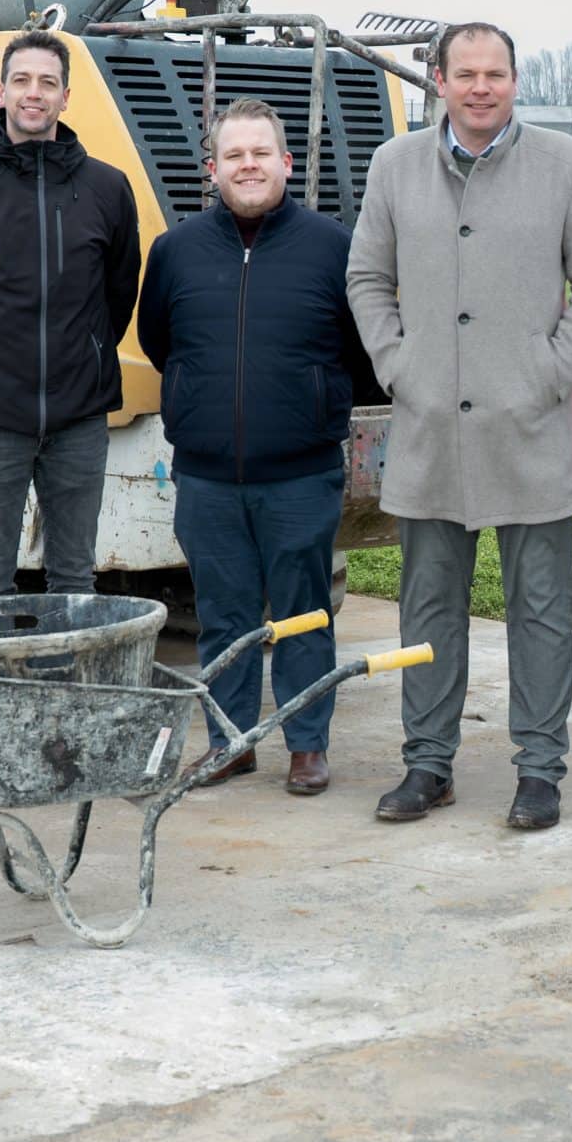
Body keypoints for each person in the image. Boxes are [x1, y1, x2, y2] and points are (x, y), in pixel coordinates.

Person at [346, 22, 572, 831]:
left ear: (515, 80)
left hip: (530, 427)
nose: (480, 87)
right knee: (429, 606)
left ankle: (539, 768)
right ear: (438, 79)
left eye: (494, 73)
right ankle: (427, 762)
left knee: (542, 608)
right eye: (464, 73)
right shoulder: (394, 165)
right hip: (430, 427)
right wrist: (400, 367)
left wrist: (550, 373)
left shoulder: (567, 165)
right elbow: (367, 276)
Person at [137, 98, 384, 798]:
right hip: (208, 477)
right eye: (234, 155)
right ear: (213, 169)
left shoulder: (334, 247)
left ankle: (307, 745)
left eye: (261, 153)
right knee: (223, 617)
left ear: (287, 163)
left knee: (305, 613)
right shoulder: (176, 252)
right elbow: (160, 342)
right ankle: (230, 742)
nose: (249, 165)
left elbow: (360, 353)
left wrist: (310, 399)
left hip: (301, 474)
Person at [0, 29, 141, 600]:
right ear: (2, 92)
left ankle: (67, 664)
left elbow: (119, 292)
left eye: (47, 82)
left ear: (66, 96)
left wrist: (87, 357)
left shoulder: (107, 188)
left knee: (75, 578)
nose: (34, 93)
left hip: (79, 419)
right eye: (22, 80)